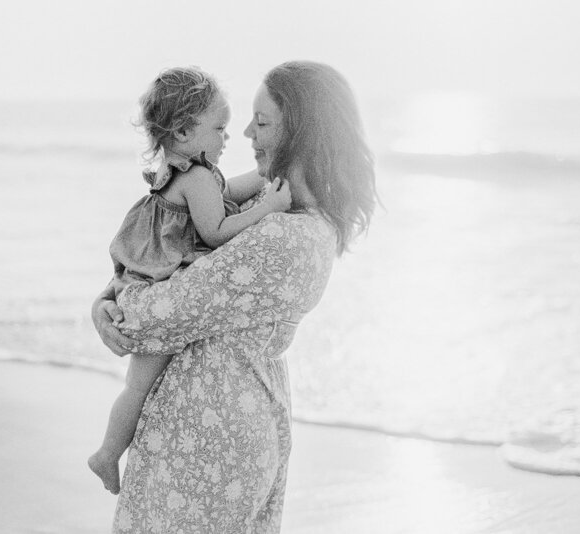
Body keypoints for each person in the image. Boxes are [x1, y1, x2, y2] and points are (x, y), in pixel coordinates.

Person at [92, 60, 377, 533]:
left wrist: (113, 308)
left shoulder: (288, 237)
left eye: (262, 123)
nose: (245, 132)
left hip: (209, 448)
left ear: (304, 136)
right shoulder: (273, 207)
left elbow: (154, 316)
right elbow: (165, 255)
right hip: (200, 441)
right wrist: (103, 301)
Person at [87, 66, 292, 496]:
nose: (227, 137)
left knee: (138, 385)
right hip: (154, 287)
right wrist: (267, 209)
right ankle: (107, 453)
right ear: (182, 131)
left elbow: (229, 191)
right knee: (137, 387)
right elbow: (216, 229)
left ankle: (109, 451)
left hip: (144, 280)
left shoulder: (191, 171)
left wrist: (269, 175)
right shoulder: (196, 178)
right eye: (218, 128)